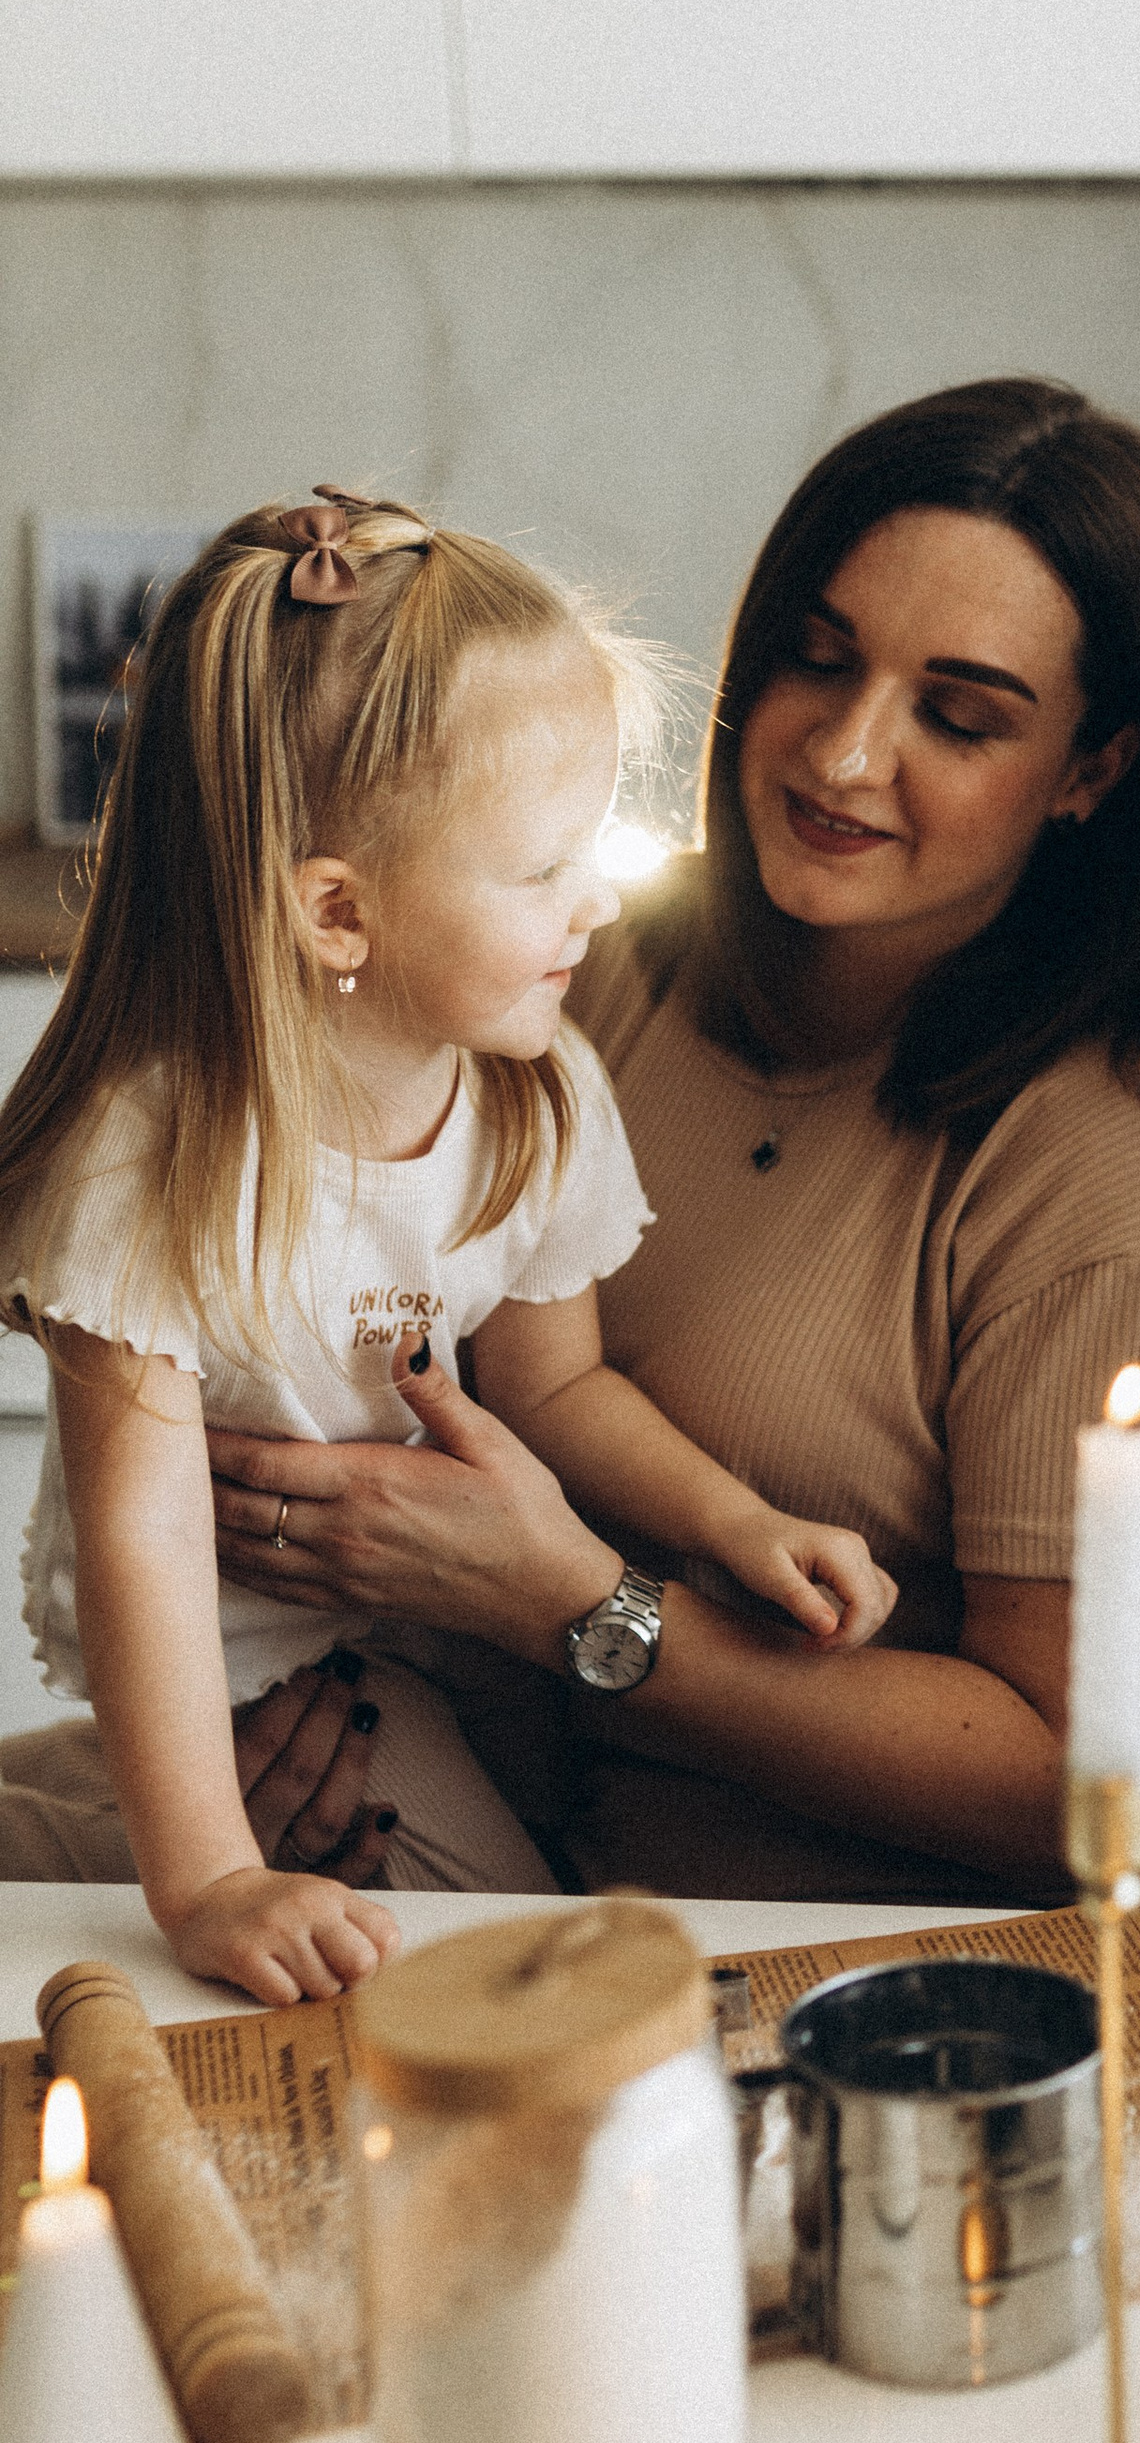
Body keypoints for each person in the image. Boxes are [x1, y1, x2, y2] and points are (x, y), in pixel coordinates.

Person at [190, 384, 1140, 1904]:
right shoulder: (584, 967)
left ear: (1094, 769)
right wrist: (286, 1704)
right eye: (813, 662)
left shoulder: (1119, 1170)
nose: (841, 755)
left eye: (959, 718)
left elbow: (1068, 1788)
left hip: (814, 1964)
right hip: (436, 1824)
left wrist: (577, 1611)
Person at [0, 493, 898, 2003]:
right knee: (502, 1956)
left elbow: (557, 1392)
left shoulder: (537, 1094)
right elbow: (140, 1542)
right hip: (242, 1644)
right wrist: (214, 1878)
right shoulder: (158, 1163)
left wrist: (737, 1524)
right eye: (542, 870)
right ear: (338, 912)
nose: (598, 905)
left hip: (423, 1622)